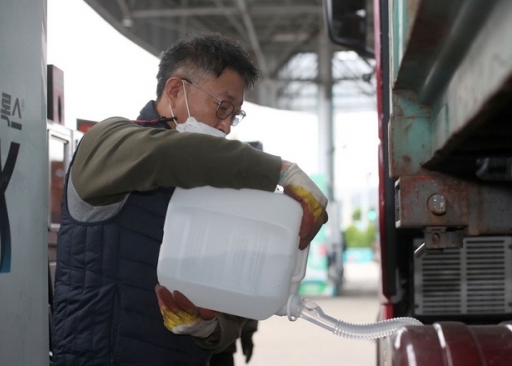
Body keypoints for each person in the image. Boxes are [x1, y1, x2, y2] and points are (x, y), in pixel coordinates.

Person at [50, 32, 328, 366]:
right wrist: (280, 170)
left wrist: (208, 328)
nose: (226, 127)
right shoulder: (107, 143)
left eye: (235, 114)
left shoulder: (221, 186)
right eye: (222, 107)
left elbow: (235, 309)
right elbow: (168, 156)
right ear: (174, 91)